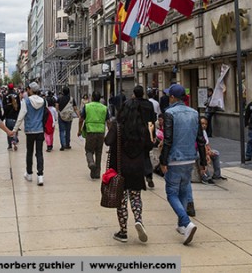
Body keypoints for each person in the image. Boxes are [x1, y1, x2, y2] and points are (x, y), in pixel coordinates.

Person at [159, 83, 206, 245]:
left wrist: (163, 160)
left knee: (171, 193)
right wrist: (203, 161)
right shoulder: (194, 113)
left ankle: (186, 222)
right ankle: (181, 226)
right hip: (190, 158)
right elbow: (201, 139)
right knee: (184, 190)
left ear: (172, 97)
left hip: (174, 158)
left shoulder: (169, 113)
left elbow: (168, 139)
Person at [105, 99, 153, 243]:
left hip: (120, 169)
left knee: (121, 200)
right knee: (135, 196)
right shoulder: (142, 127)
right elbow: (149, 146)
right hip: (137, 168)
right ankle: (138, 220)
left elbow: (108, 141)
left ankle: (123, 232)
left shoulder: (118, 126)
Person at [11, 82, 47, 186]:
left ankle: (29, 173)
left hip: (30, 130)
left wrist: (15, 129)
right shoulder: (43, 101)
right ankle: (40, 176)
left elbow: (21, 116)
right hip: (40, 130)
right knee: (39, 153)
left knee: (29, 152)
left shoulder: (26, 101)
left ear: (30, 90)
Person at [79, 92, 107, 179]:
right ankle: (97, 173)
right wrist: (109, 133)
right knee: (99, 152)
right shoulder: (104, 108)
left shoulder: (87, 106)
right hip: (101, 132)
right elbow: (109, 121)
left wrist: (79, 130)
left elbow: (81, 119)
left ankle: (91, 162)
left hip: (90, 131)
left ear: (92, 98)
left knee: (89, 150)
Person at [198, 116, 225, 183]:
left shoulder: (204, 132)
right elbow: (200, 145)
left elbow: (207, 144)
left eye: (206, 124)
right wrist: (206, 153)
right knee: (200, 156)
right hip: (198, 151)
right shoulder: (196, 132)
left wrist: (209, 151)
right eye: (202, 123)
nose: (204, 125)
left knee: (216, 153)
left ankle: (217, 175)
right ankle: (206, 177)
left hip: (204, 149)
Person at [2, 84, 20, 150]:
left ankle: (10, 145)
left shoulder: (5, 96)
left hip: (8, 117)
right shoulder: (17, 95)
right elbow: (19, 107)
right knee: (15, 130)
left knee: (9, 131)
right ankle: (14, 140)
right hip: (15, 117)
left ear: (8, 88)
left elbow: (4, 107)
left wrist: (2, 117)